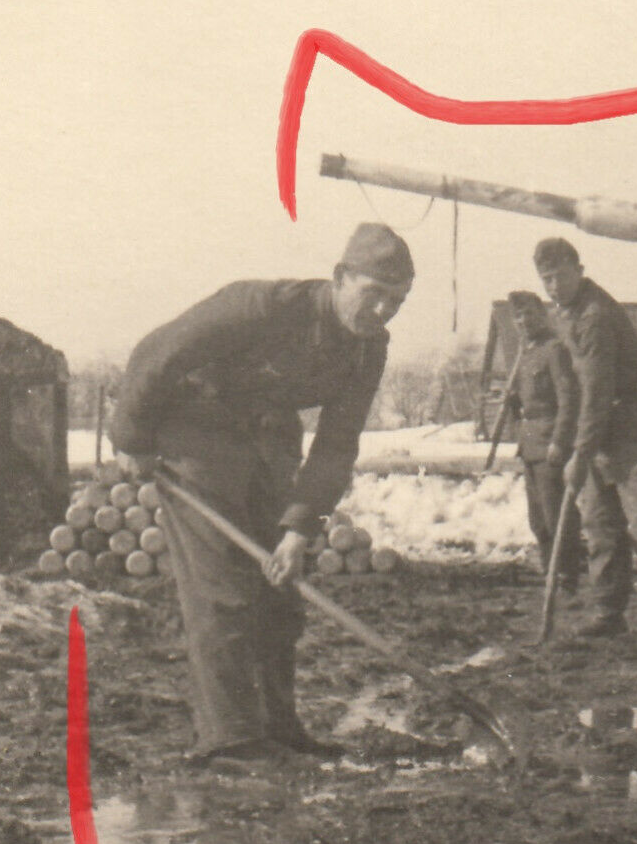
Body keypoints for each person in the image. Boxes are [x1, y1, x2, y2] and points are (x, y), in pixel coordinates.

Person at [109, 223, 414, 764]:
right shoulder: (263, 306)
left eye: (396, 301)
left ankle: (278, 727)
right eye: (374, 293)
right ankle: (231, 739)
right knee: (223, 585)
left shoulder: (369, 350)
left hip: (269, 438)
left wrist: (299, 528)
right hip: (197, 432)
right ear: (340, 277)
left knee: (280, 588)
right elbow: (158, 351)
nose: (382, 311)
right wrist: (133, 439)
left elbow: (337, 442)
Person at [533, 237, 637, 655]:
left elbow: (597, 392)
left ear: (579, 270)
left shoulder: (594, 316)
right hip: (598, 428)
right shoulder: (564, 314)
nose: (554, 286)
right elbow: (573, 391)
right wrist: (575, 446)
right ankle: (609, 613)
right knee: (601, 525)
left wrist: (580, 454)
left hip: (629, 425)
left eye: (560, 276)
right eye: (546, 279)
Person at [504, 290, 584, 594]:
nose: (523, 321)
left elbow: (568, 400)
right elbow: (527, 404)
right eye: (518, 316)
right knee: (537, 519)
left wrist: (560, 441)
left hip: (550, 442)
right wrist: (513, 402)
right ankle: (550, 571)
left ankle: (567, 576)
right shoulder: (526, 353)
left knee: (557, 515)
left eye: (529, 314)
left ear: (542, 315)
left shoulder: (554, 350)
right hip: (530, 445)